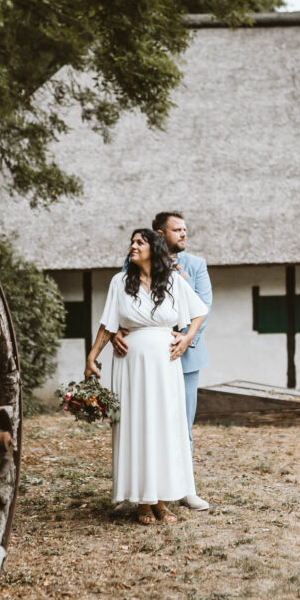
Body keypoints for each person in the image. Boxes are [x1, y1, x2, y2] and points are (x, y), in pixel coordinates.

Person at [85, 229, 207, 524]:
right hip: (131, 366)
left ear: (154, 248)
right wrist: (92, 356)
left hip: (165, 366)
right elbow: (108, 323)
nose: (133, 246)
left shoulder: (173, 282)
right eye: (132, 241)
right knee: (137, 426)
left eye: (140, 242)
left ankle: (162, 502)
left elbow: (199, 311)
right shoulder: (119, 282)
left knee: (164, 427)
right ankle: (142, 502)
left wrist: (186, 337)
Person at [112, 211, 212, 511]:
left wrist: (184, 339)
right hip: (142, 358)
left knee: (180, 423)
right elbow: (124, 304)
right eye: (177, 230)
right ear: (160, 233)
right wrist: (118, 331)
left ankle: (184, 489)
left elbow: (203, 306)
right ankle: (139, 489)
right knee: (141, 421)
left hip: (184, 353)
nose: (183, 234)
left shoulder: (196, 265)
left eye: (185, 230)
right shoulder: (133, 263)